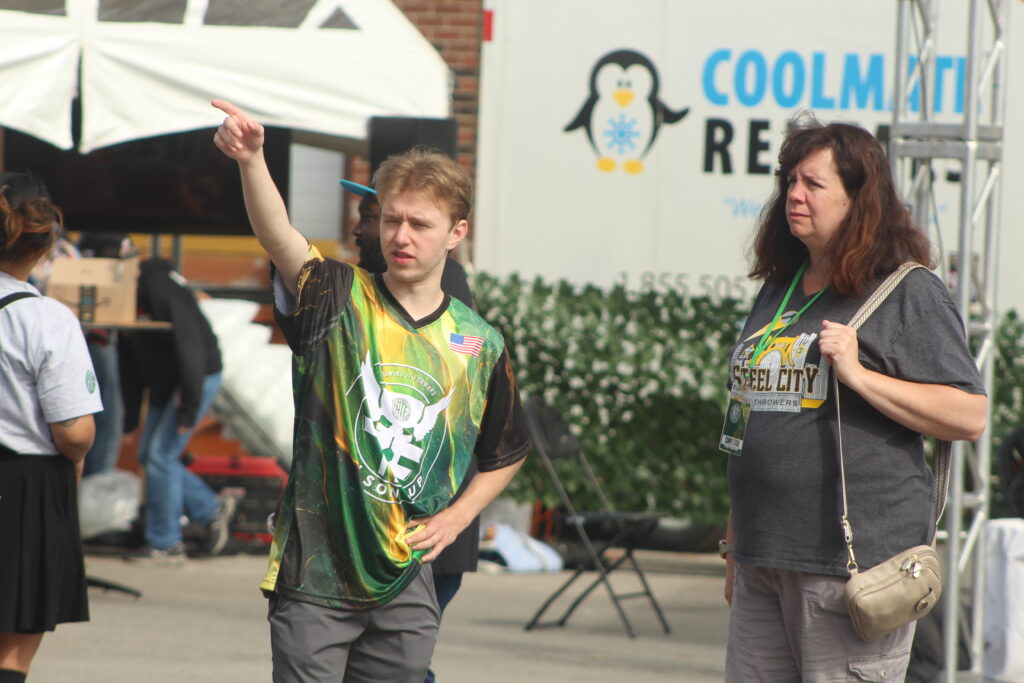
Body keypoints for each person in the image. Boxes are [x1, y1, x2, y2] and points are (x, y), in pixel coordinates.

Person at [212, 99, 530, 683]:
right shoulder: (336, 294)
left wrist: (457, 518)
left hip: (407, 576)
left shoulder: (479, 342)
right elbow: (278, 237)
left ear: (456, 233)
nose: (400, 236)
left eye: (420, 224)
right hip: (316, 573)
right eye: (390, 220)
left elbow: (508, 449)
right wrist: (252, 160)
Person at [720, 117, 987, 682]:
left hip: (849, 569)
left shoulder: (906, 290)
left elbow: (969, 415)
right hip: (762, 558)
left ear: (858, 199)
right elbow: (748, 421)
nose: (794, 195)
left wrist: (860, 376)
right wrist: (734, 542)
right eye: (789, 181)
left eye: (813, 184)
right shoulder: (780, 288)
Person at [342, 179, 478, 683]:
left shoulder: (441, 290)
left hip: (424, 529)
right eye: (380, 219)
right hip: (375, 528)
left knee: (402, 665)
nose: (362, 229)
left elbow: (456, 405)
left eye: (370, 216)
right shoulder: (364, 292)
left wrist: (451, 518)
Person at [0, 171, 101, 682]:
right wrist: (78, 455)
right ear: (44, 246)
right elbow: (74, 433)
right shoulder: (46, 319)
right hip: (24, 490)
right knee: (12, 649)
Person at [119, 258, 235, 562]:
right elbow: (129, 369)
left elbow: (191, 349)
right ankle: (209, 508)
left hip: (193, 378)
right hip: (168, 382)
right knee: (148, 455)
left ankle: (167, 543)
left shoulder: (160, 288)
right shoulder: (122, 301)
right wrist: (130, 419)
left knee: (161, 456)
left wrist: (189, 409)